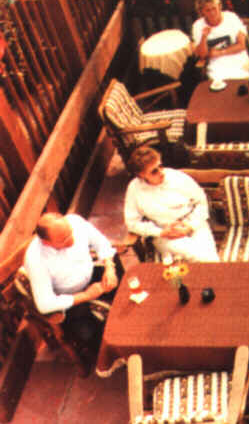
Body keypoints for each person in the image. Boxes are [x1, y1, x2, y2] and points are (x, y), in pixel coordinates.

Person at [24, 212, 122, 347]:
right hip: (71, 297)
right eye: (64, 240)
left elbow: (101, 242)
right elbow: (44, 304)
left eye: (70, 233)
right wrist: (86, 295)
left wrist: (109, 268)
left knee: (127, 287)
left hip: (92, 275)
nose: (72, 241)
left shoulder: (75, 221)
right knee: (91, 335)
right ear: (46, 243)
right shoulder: (35, 259)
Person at [124, 146, 220, 263]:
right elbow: (132, 223)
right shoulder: (134, 189)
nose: (161, 172)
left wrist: (190, 226)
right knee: (202, 257)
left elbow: (201, 202)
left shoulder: (177, 177)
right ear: (141, 175)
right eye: (154, 171)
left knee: (211, 258)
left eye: (160, 166)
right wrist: (160, 232)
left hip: (193, 223)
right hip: (165, 233)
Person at [191, 0, 249, 81]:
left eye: (214, 8)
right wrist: (203, 37)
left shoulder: (231, 17)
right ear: (201, 11)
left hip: (238, 58)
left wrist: (220, 52)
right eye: (208, 10)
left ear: (219, 6)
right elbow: (202, 55)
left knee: (239, 80)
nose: (212, 13)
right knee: (220, 83)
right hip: (215, 64)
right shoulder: (198, 25)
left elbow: (242, 45)